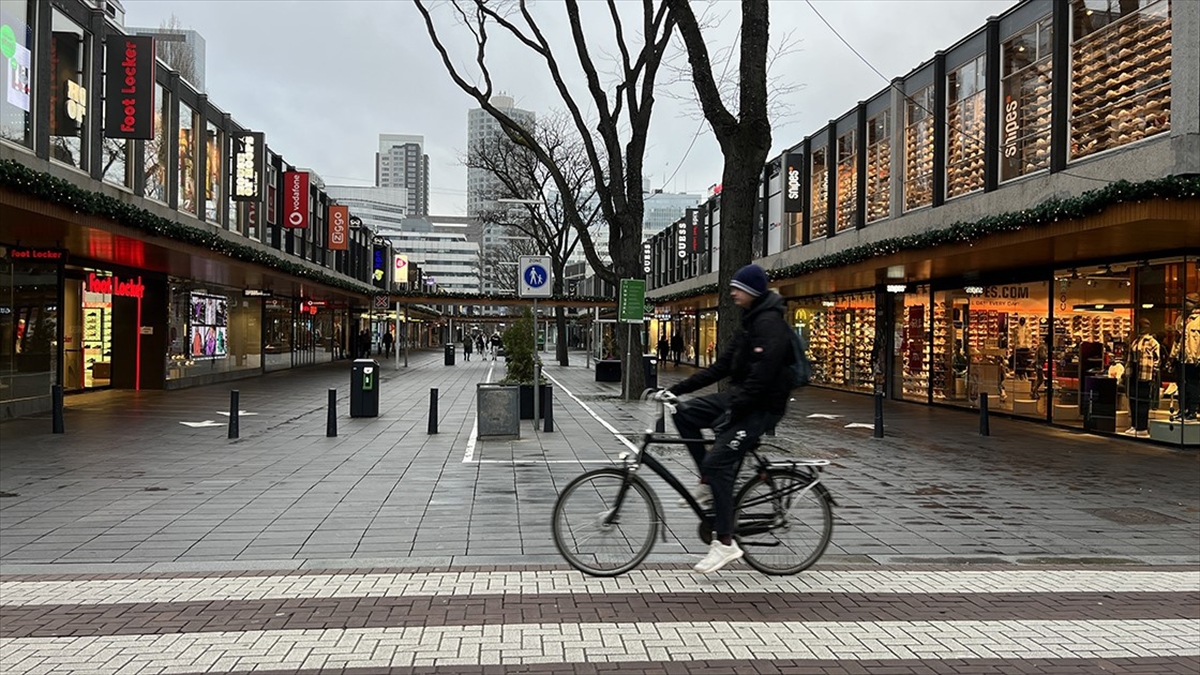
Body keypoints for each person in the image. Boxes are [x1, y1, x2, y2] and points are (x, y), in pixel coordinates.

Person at [656, 264, 794, 574]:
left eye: (737, 287)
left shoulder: (769, 324)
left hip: (761, 408)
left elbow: (762, 379)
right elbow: (721, 368)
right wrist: (675, 390)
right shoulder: (749, 322)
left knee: (718, 463)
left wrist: (734, 412)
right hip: (742, 399)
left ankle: (725, 543)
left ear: (753, 291)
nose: (732, 292)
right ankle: (707, 483)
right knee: (685, 414)